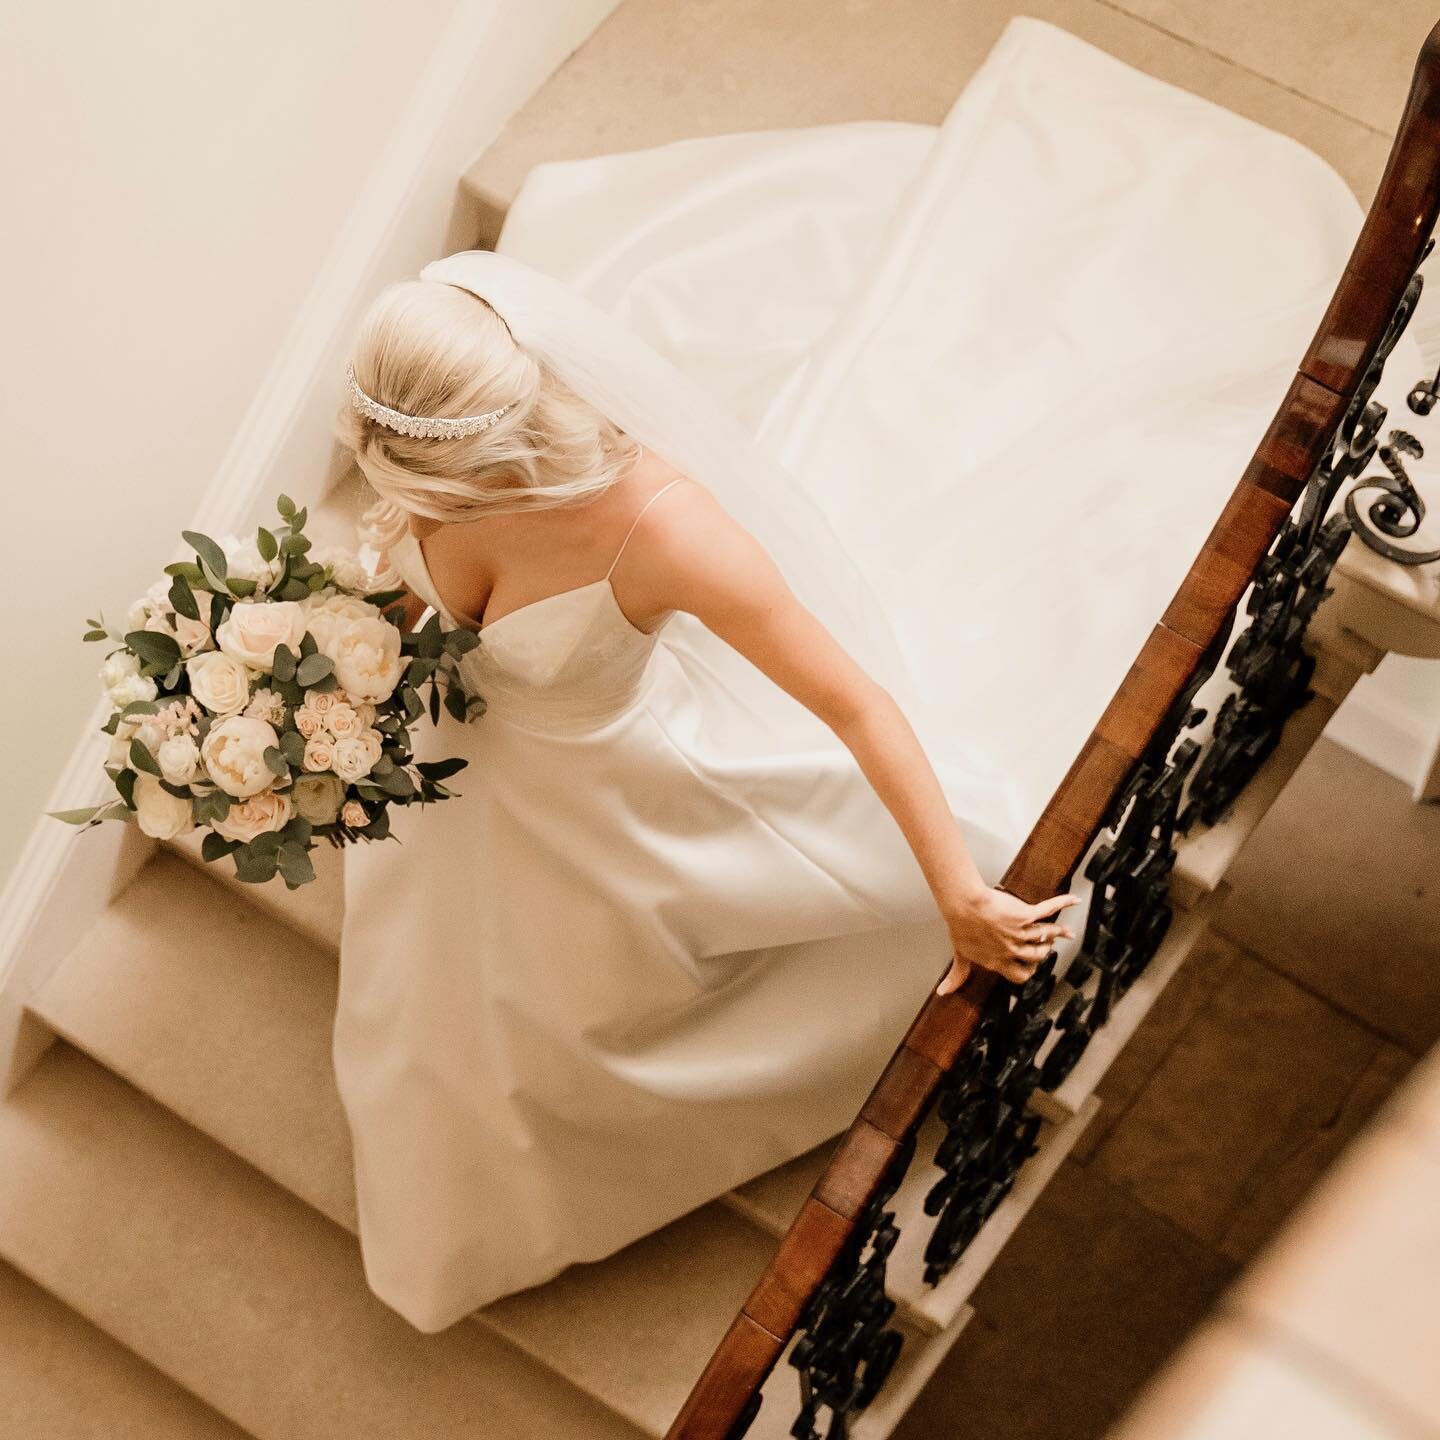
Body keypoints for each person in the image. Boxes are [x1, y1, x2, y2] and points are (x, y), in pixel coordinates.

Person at [329, 15, 1365, 1332]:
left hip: (629, 793)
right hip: (483, 768)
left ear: (498, 446)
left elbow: (857, 704)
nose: (403, 502)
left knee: (547, 1012)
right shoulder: (432, 476)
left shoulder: (664, 528)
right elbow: (414, 581)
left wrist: (955, 898)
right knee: (437, 986)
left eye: (424, 483)